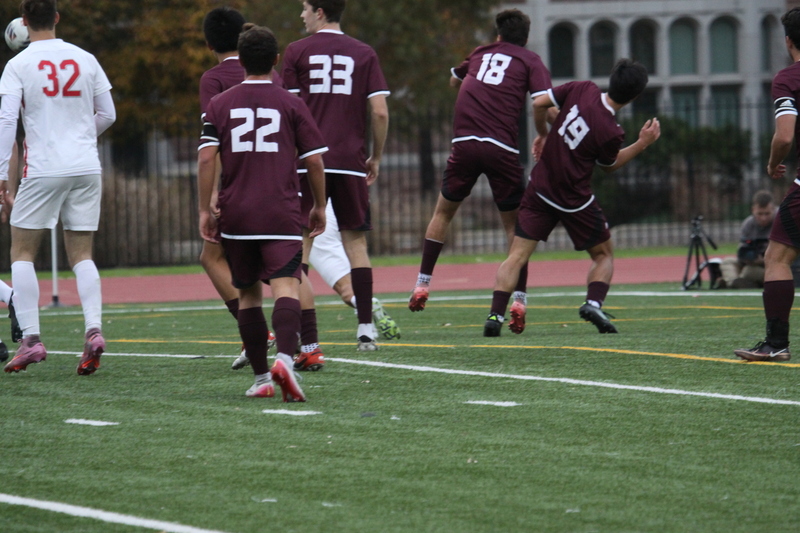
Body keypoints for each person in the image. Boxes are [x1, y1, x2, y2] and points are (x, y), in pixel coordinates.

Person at [483, 59, 660, 336]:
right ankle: (593, 303)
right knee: (603, 254)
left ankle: (495, 316)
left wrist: (543, 134)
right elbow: (609, 165)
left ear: (611, 78)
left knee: (516, 256)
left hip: (540, 188)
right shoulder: (611, 131)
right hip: (573, 199)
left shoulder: (583, 88)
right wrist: (643, 143)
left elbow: (539, 104)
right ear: (634, 97)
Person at [198, 24, 327, 399]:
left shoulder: (219, 104)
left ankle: (260, 380)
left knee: (249, 295)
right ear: (276, 60)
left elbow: (206, 158)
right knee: (286, 286)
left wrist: (205, 208)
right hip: (280, 210)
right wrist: (319, 205)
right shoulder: (291, 103)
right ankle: (285, 359)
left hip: (237, 212)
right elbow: (314, 161)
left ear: (241, 61)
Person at [409, 9, 552, 318]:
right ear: (525, 39)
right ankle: (519, 299)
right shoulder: (531, 61)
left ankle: (422, 282)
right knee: (514, 227)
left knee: (443, 213)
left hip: (465, 144)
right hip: (501, 148)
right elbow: (543, 102)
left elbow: (454, 79)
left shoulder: (480, 52)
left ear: (498, 35)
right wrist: (548, 131)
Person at [0, 0, 116, 374]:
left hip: (44, 166)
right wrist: (80, 136)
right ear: (57, 18)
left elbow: (7, 121)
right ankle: (94, 330)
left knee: (21, 252)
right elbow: (108, 114)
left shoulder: (17, 65)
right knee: (82, 253)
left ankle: (31, 339)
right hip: (86, 166)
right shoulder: (86, 58)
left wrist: (1, 175)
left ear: (24, 22)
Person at [281, 0, 390, 351]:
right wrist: (375, 157)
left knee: (302, 244)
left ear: (319, 12)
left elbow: (288, 110)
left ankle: (302, 334)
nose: (301, 15)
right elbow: (380, 112)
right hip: (350, 160)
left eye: (305, 8)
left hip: (308, 160)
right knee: (356, 245)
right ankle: (365, 329)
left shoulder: (296, 51)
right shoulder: (364, 52)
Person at [199, 7, 279, 369]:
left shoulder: (214, 79)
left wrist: (211, 195)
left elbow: (211, 145)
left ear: (208, 43)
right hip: (278, 182)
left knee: (213, 257)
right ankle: (305, 341)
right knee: (287, 266)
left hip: (237, 185)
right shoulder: (273, 76)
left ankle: (256, 335)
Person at [734, 8, 800, 362]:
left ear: (788, 41)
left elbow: (785, 135)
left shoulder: (788, 78)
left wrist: (773, 163)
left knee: (776, 257)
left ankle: (776, 343)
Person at [719, 190, 776, 289]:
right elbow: (742, 250)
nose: (763, 218)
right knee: (728, 261)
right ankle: (733, 282)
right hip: (751, 263)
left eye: (767, 214)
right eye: (760, 214)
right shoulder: (748, 224)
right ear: (753, 210)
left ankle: (732, 283)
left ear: (773, 209)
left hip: (773, 267)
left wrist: (764, 260)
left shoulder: (781, 222)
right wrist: (748, 258)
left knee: (749, 271)